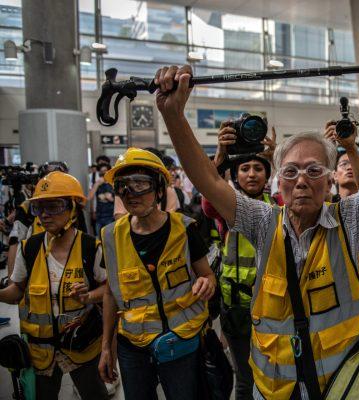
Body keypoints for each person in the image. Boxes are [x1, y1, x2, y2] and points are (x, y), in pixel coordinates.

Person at [155, 51, 359, 399]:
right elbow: (208, 183)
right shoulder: (263, 222)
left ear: (330, 180)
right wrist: (173, 116)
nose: (302, 180)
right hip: (274, 391)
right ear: (279, 182)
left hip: (339, 390)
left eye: (313, 170)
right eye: (291, 171)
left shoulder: (348, 221)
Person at [98, 147, 216, 400]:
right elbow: (110, 293)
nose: (130, 194)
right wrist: (106, 347)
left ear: (159, 190)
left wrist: (207, 283)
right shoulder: (110, 235)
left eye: (139, 184)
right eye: (123, 186)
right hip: (133, 346)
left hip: (181, 340)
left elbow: (207, 275)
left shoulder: (184, 229)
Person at [0, 171, 108, 400]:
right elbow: (16, 290)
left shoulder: (91, 248)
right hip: (41, 352)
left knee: (94, 394)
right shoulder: (28, 248)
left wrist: (89, 296)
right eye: (39, 208)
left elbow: (108, 290)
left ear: (72, 208)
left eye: (54, 206)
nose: (44, 215)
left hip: (83, 346)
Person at [202, 122, 277, 400]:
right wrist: (220, 156)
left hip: (273, 308)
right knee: (244, 381)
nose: (252, 173)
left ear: (267, 174)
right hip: (235, 310)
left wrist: (276, 156)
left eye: (258, 168)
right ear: (235, 176)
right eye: (244, 169)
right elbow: (209, 201)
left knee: (273, 375)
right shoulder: (227, 207)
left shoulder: (278, 204)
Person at [88, 163, 115, 235]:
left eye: (105, 171)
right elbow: (90, 197)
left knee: (109, 238)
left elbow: (120, 199)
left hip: (110, 216)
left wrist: (111, 199)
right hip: (99, 216)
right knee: (99, 239)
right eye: (101, 171)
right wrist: (96, 184)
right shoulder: (97, 184)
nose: (103, 173)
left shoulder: (113, 184)